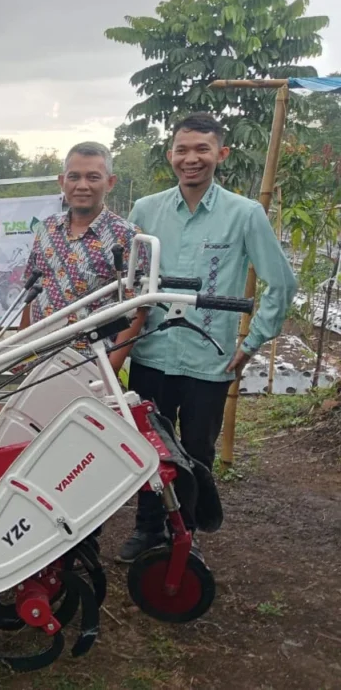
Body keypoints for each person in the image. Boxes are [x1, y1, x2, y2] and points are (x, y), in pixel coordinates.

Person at [117, 112, 297, 563]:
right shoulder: (146, 211)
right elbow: (128, 282)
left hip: (208, 358)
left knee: (196, 450)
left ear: (221, 153)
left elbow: (282, 283)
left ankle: (185, 534)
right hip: (152, 352)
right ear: (170, 155)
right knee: (149, 447)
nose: (191, 159)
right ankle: (146, 528)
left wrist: (252, 342)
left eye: (202, 149)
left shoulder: (245, 214)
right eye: (183, 150)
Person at [19, 141, 148, 370]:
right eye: (74, 177)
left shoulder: (127, 236)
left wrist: (110, 370)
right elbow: (33, 291)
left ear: (110, 182)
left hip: (91, 364)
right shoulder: (46, 229)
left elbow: (137, 309)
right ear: (62, 181)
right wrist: (20, 351)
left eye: (93, 177)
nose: (82, 185)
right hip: (39, 362)